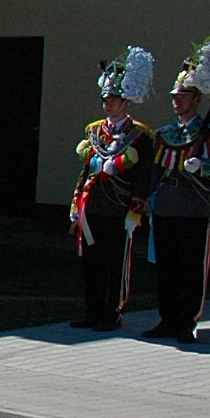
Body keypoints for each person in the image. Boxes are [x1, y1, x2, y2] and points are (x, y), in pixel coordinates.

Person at [70, 48, 158, 333]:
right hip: (93, 206)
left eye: (113, 99)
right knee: (92, 264)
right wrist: (76, 204)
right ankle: (93, 310)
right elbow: (86, 172)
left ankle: (113, 312)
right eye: (105, 99)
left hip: (119, 209)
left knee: (115, 263)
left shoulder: (140, 135)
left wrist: (135, 210)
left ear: (126, 101)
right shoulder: (94, 131)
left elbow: (144, 177)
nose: (108, 104)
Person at [146, 37, 210, 342]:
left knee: (191, 269)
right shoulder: (165, 133)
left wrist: (202, 167)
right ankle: (167, 319)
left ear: (197, 100)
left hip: (194, 205)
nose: (177, 101)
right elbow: (155, 171)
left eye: (183, 96)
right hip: (166, 204)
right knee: (167, 267)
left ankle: (186, 322)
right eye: (175, 96)